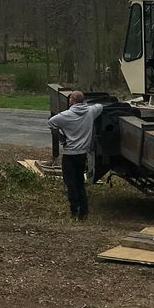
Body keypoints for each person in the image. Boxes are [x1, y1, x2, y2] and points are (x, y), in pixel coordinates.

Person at [48, 89, 99, 220]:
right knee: (80, 182)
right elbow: (100, 106)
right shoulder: (90, 112)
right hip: (82, 154)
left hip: (70, 153)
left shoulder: (65, 115)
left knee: (70, 183)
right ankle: (84, 211)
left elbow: (51, 122)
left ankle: (74, 210)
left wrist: (62, 138)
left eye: (70, 99)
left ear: (72, 101)